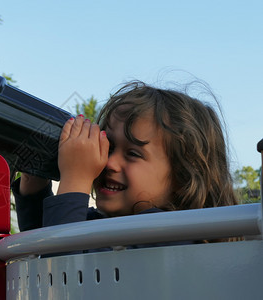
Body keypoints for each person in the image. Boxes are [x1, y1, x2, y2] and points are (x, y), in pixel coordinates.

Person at [12, 81, 237, 245]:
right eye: (108, 146)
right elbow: (41, 241)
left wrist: (75, 178)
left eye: (133, 153)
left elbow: (61, 271)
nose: (109, 162)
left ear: (183, 177)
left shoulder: (169, 237)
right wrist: (34, 181)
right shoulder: (101, 223)